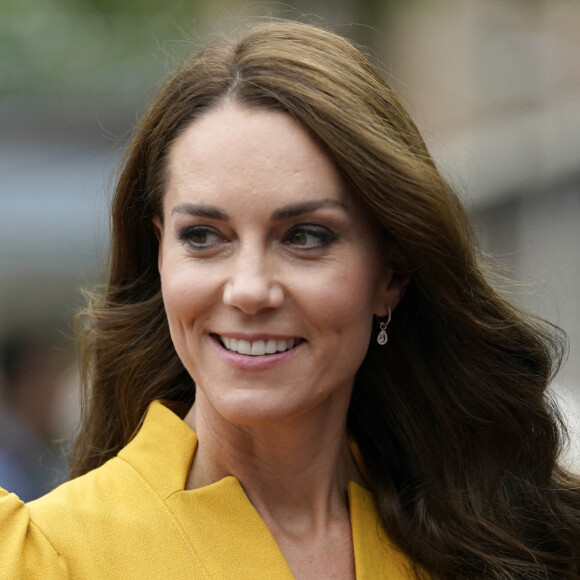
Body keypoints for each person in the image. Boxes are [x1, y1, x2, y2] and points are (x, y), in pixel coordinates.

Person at [1, 19, 579, 580]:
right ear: (159, 257)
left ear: (392, 274)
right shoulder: (40, 557)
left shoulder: (516, 542)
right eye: (203, 237)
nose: (249, 289)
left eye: (305, 236)